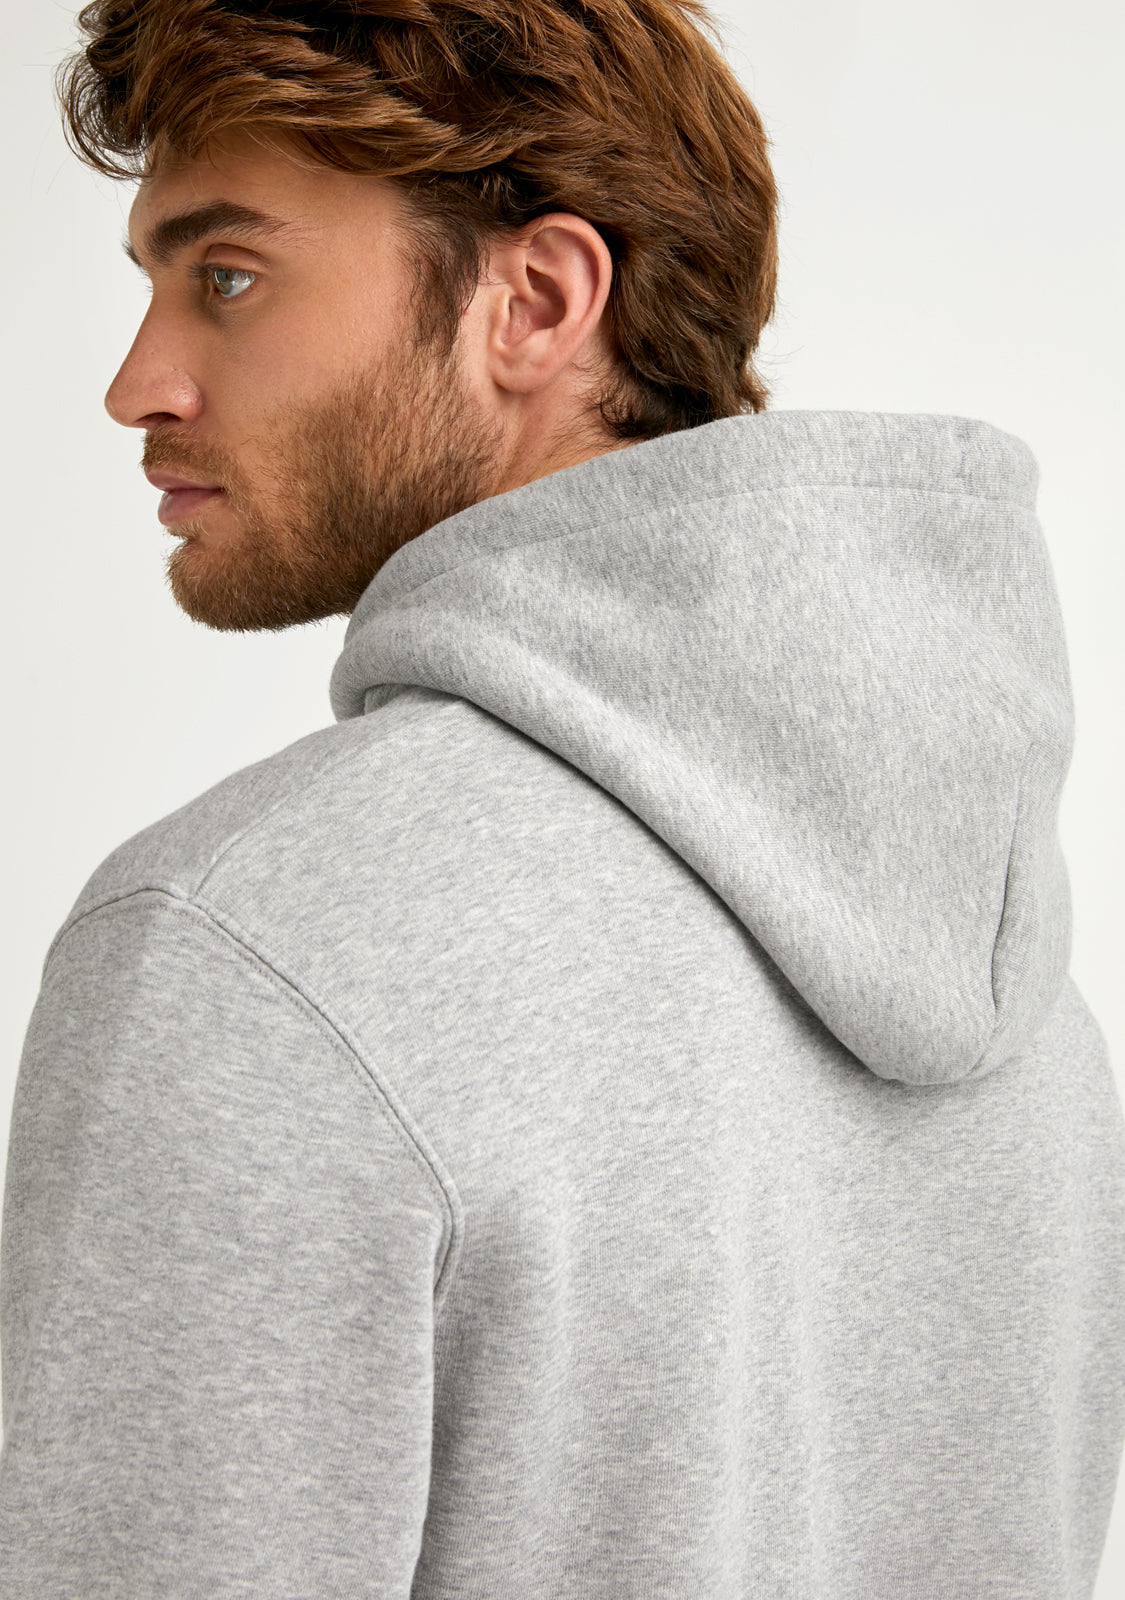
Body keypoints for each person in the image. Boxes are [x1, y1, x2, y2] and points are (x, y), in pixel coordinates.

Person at [2, 0, 1123, 1594]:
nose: (138, 384)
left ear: (531, 302)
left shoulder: (244, 948)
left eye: (228, 277)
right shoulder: (1025, 1006)